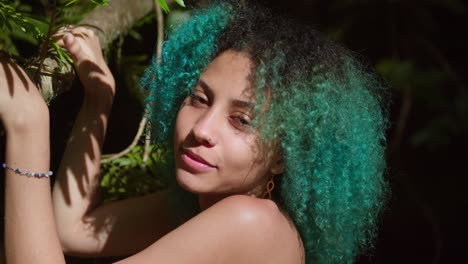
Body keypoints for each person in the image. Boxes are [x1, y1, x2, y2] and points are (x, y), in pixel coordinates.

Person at [1, 0, 388, 263]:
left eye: (242, 120)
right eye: (200, 99)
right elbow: (75, 231)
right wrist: (99, 101)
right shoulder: (202, 208)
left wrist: (28, 126)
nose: (202, 130)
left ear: (284, 155)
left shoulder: (252, 221)